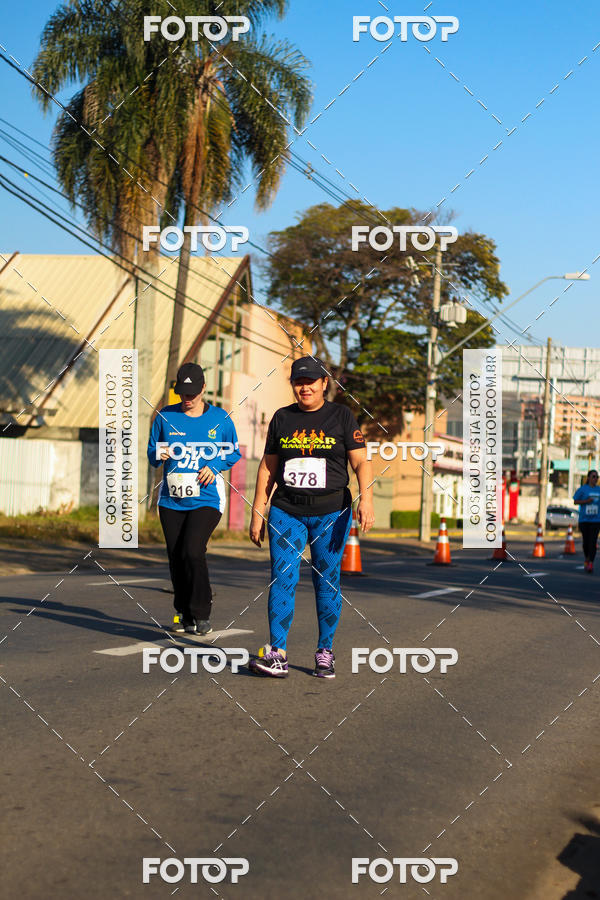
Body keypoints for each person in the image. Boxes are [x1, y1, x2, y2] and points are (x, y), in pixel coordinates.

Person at [248, 356, 375, 678]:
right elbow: (268, 467)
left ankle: (325, 652)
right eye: (298, 382)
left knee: (326, 579)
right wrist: (257, 512)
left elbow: (361, 463)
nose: (304, 387)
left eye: (310, 382)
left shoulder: (341, 416)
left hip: (332, 512)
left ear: (323, 384)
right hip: (287, 509)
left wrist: (367, 500)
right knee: (283, 577)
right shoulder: (282, 418)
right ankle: (277, 653)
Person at [147, 362, 241, 633]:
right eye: (181, 394)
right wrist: (159, 454)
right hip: (171, 500)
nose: (186, 399)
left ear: (203, 388)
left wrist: (215, 466)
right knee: (176, 556)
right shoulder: (165, 416)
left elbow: (233, 452)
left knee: (192, 550)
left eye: (192, 394)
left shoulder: (220, 419)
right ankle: (183, 612)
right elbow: (152, 452)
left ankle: (201, 613)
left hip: (207, 499)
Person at [573, 469, 600, 573]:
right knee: (586, 543)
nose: (596, 479)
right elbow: (575, 501)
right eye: (594, 477)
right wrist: (586, 501)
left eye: (597, 477)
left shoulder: (599, 489)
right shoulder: (583, 489)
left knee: (593, 542)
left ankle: (590, 563)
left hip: (596, 520)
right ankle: (587, 558)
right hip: (584, 520)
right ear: (588, 478)